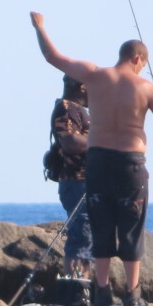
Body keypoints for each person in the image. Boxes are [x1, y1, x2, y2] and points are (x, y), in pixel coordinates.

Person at [29, 12, 153, 306]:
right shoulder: (146, 88)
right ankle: (132, 297)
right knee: (130, 228)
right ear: (138, 59)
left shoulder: (94, 75)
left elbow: (52, 56)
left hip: (97, 163)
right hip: (130, 164)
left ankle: (100, 294)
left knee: (100, 227)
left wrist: (40, 27)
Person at [48, 74, 93, 282]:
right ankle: (77, 286)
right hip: (77, 182)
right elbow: (69, 142)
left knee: (88, 236)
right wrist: (104, 138)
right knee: (81, 236)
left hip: (85, 183)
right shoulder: (67, 108)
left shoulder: (79, 110)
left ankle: (85, 283)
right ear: (82, 87)